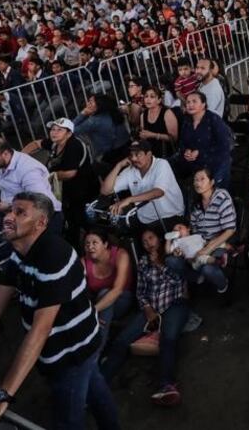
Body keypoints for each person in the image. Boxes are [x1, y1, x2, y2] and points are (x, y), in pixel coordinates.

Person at [0, 192, 119, 429]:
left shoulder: (53, 256)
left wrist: (1, 397)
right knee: (96, 395)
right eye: (10, 210)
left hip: (72, 354)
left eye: (20, 212)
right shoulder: (19, 255)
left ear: (40, 223)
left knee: (68, 420)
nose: (9, 216)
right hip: (71, 348)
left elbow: (40, 330)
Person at [100, 227, 188, 406]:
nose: (148, 243)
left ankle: (167, 386)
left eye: (151, 238)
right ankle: (98, 384)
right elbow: (140, 291)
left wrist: (159, 265)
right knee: (122, 341)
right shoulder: (142, 262)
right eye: (144, 241)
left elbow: (179, 282)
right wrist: (147, 308)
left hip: (174, 304)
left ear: (160, 239)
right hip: (151, 307)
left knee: (168, 340)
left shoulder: (173, 254)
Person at [23, 118, 98, 246]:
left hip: (82, 189)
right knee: (71, 219)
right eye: (53, 129)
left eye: (59, 130)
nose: (54, 133)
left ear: (69, 133)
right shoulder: (55, 143)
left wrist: (48, 177)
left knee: (81, 219)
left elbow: (70, 173)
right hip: (66, 190)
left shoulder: (74, 146)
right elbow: (36, 143)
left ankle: (90, 242)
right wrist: (21, 155)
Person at [168, 165, 236, 294]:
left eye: (202, 179)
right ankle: (198, 278)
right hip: (200, 242)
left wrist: (208, 248)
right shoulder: (196, 204)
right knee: (171, 260)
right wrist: (183, 247)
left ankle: (223, 285)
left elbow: (230, 229)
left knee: (207, 268)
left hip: (219, 241)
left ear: (212, 182)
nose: (197, 183)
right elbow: (194, 230)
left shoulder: (221, 197)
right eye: (195, 180)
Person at [0, 137, 63, 232]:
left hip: (44, 220)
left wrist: (9, 206)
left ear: (5, 154)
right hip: (22, 216)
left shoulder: (28, 171)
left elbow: (43, 203)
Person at [101, 140, 185, 230]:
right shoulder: (130, 170)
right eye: (131, 155)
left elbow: (158, 192)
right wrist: (119, 165)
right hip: (145, 220)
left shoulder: (161, 164)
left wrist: (129, 200)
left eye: (138, 155)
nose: (133, 159)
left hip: (171, 216)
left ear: (148, 155)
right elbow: (105, 191)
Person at [82, 227, 134, 351]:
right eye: (87, 244)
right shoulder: (84, 261)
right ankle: (98, 352)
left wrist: (92, 312)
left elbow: (117, 290)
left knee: (105, 292)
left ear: (105, 244)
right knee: (103, 305)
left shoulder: (120, 255)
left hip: (123, 300)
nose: (90, 247)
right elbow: (77, 290)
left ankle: (95, 352)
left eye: (95, 242)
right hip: (101, 304)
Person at [173, 90, 233, 186]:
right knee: (169, 167)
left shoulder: (214, 120)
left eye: (194, 101)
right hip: (193, 160)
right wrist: (186, 151)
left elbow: (224, 145)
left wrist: (200, 152)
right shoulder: (187, 121)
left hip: (214, 159)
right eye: (188, 102)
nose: (190, 105)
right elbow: (182, 142)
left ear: (203, 104)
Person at [73, 94, 130, 163]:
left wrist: (83, 113)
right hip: (127, 147)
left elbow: (70, 130)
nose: (87, 104)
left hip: (110, 156)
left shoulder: (94, 121)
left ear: (99, 105)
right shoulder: (113, 111)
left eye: (90, 102)